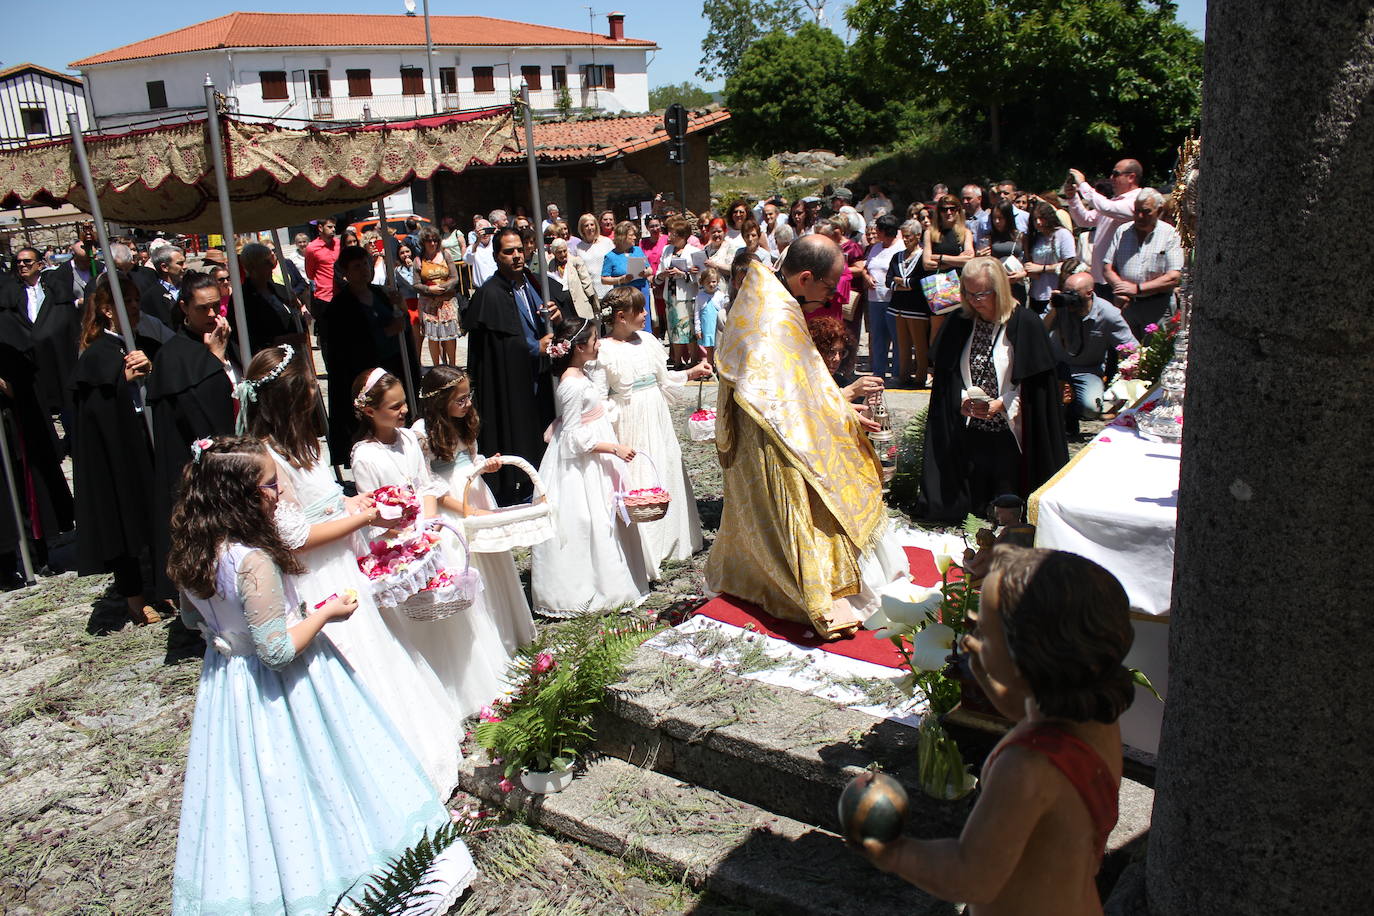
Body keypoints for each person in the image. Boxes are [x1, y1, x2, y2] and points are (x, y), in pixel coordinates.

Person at [166, 435, 476, 916]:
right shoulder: (253, 561)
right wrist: (326, 612)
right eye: (270, 487)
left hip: (229, 686)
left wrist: (230, 639)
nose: (280, 495)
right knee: (322, 773)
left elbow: (193, 621)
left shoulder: (192, 554)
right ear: (239, 497)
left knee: (249, 788)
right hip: (290, 686)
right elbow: (275, 651)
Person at [859, 546, 1133, 916]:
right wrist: (989, 670)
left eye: (983, 630)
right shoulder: (1095, 718)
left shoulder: (1024, 767)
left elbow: (970, 875)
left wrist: (891, 851)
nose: (972, 635)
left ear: (1028, 654)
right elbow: (1022, 705)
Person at [241, 347, 462, 793]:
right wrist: (364, 518)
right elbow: (293, 535)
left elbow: (322, 503)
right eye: (308, 387)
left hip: (345, 563)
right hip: (314, 576)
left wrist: (355, 504)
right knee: (354, 662)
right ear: (293, 398)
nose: (315, 392)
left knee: (381, 651)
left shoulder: (305, 445)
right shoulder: (267, 458)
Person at [705, 238, 907, 639]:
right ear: (805, 277)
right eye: (830, 287)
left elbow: (801, 380)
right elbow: (787, 398)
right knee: (799, 504)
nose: (834, 295)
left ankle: (758, 576)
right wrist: (841, 410)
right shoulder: (776, 313)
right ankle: (810, 590)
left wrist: (839, 404)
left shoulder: (764, 293)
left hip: (763, 423)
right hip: (774, 433)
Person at [349, 369, 512, 718]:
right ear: (369, 411)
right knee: (422, 617)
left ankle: (471, 681)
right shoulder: (364, 456)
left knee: (453, 609)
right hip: (399, 545)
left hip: (426, 533)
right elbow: (374, 512)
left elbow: (426, 485)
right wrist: (407, 535)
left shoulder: (410, 440)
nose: (403, 411)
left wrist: (428, 525)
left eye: (403, 404)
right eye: (393, 407)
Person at [921, 257, 1067, 523]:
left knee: (1008, 502)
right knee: (973, 505)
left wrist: (1004, 402)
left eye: (982, 294)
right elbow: (948, 376)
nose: (975, 300)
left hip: (1011, 434)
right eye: (968, 293)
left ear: (999, 289)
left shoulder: (1025, 322)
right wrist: (963, 399)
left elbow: (1035, 384)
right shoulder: (960, 321)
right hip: (970, 431)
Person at [530, 316, 650, 615]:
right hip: (584, 463)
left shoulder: (581, 374)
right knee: (589, 518)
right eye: (595, 340)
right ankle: (589, 587)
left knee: (605, 513)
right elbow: (572, 439)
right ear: (579, 347)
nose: (599, 344)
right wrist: (613, 448)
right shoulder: (570, 385)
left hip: (597, 453)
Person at [413, 365, 535, 654]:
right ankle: (485, 639)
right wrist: (466, 510)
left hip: (475, 491)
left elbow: (470, 458)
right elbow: (429, 485)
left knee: (493, 560)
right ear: (439, 400)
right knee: (470, 561)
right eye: (460, 399)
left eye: (469, 397)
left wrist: (485, 464)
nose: (467, 404)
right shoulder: (421, 432)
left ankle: (507, 628)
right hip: (452, 502)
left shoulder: (464, 420)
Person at [598, 287, 711, 578]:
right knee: (639, 473)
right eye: (640, 310)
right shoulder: (605, 350)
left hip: (656, 412)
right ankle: (645, 544)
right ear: (621, 317)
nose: (647, 314)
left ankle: (673, 538)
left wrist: (691, 372)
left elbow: (663, 379)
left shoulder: (648, 341)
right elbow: (598, 395)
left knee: (664, 464)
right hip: (629, 417)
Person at [71, 275, 160, 626]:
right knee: (123, 517)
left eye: (137, 300)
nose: (136, 308)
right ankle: (135, 599)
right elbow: (96, 408)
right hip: (118, 449)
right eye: (128, 302)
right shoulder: (98, 353)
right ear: (108, 310)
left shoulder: (136, 342)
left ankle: (164, 586)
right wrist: (121, 383)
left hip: (143, 438)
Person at [146, 273, 238, 601]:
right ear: (184, 307)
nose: (214, 315)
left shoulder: (223, 335)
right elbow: (204, 412)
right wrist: (213, 360)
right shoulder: (174, 355)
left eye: (218, 306)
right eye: (204, 309)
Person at [463, 226, 562, 505]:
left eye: (520, 249)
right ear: (496, 256)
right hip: (510, 379)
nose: (517, 256)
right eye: (509, 251)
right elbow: (499, 344)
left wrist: (556, 315)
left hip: (539, 375)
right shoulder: (490, 294)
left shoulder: (533, 282)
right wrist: (534, 347)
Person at [318, 245, 412, 466]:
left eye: (366, 264)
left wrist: (400, 307)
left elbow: (401, 323)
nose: (364, 270)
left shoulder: (381, 293)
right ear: (345, 272)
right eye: (357, 266)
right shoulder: (341, 307)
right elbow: (350, 343)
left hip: (391, 366)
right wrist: (387, 331)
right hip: (363, 372)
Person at [1047, 272, 1137, 437]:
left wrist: (1128, 378)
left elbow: (1130, 349)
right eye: (1066, 292)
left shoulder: (1108, 313)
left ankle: (1073, 409)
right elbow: (1040, 331)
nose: (1069, 298)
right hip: (1056, 367)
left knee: (1090, 409)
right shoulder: (1059, 306)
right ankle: (1063, 414)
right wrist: (1053, 310)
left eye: (1073, 294)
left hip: (1087, 369)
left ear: (1089, 293)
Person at [0, 246, 78, 425]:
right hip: (31, 358)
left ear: (40, 265)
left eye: (27, 261)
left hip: (57, 355)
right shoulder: (11, 293)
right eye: (18, 262)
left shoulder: (54, 289)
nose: (21, 265)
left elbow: (65, 322)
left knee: (66, 402)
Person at [1102, 189, 1183, 339]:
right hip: (1127, 305)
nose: (1140, 216)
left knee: (1155, 356)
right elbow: (1107, 268)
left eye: (1146, 212)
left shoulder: (1170, 234)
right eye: (1136, 211)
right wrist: (1120, 288)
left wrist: (1138, 289)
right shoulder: (1122, 231)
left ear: (1158, 210)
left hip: (1157, 305)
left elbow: (1174, 277)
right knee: (1127, 355)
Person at [1066, 159, 1145, 301]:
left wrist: (1083, 184)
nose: (1111, 178)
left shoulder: (1137, 201)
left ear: (1131, 177)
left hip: (1119, 279)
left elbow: (1106, 207)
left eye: (1116, 174)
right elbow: (1085, 219)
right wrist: (1072, 197)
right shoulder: (1114, 201)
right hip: (1099, 276)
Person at [922, 193, 978, 352]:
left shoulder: (965, 233)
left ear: (959, 211)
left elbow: (969, 258)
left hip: (960, 285)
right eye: (944, 209)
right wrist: (955, 259)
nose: (948, 213)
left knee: (960, 325)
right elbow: (927, 263)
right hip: (938, 285)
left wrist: (940, 258)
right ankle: (933, 368)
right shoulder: (930, 233)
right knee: (936, 327)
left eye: (953, 209)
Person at [887, 218, 930, 389]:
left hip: (917, 308)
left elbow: (921, 282)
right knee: (901, 344)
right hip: (898, 306)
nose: (906, 240)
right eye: (904, 236)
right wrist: (905, 284)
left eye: (909, 236)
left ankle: (920, 377)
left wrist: (903, 283)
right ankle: (903, 376)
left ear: (918, 236)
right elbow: (888, 280)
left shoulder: (923, 256)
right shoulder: (897, 256)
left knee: (920, 345)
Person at [656, 218, 703, 368]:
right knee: (673, 330)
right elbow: (658, 272)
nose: (669, 235)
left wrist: (683, 273)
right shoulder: (666, 250)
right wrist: (662, 275)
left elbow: (701, 276)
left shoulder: (694, 252)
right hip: (670, 295)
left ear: (682, 235)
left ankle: (693, 360)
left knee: (688, 330)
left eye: (673, 233)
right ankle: (677, 362)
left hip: (687, 296)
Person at [236, 243, 299, 354]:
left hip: (291, 354)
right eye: (267, 262)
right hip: (269, 359)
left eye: (272, 262)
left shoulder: (280, 290)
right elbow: (249, 337)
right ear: (253, 266)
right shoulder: (242, 298)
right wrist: (279, 340)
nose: (272, 266)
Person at [414, 226, 462, 367]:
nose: (433, 243)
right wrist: (429, 289)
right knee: (433, 337)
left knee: (450, 335)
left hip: (446, 301)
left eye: (435, 240)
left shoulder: (445, 255)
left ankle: (452, 366)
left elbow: (455, 277)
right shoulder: (418, 260)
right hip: (428, 304)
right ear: (423, 242)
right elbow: (416, 284)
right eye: (429, 241)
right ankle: (437, 367)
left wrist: (444, 287)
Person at [864, 214, 904, 381]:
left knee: (897, 337)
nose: (875, 233)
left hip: (893, 299)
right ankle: (878, 372)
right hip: (875, 299)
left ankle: (896, 373)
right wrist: (866, 277)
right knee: (878, 337)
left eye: (878, 230)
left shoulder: (900, 248)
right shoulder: (876, 247)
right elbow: (866, 267)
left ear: (885, 231)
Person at [808, 315, 883, 403]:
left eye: (841, 352)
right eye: (831, 352)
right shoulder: (800, 383)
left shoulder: (842, 382)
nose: (837, 358)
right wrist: (852, 391)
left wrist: (868, 406)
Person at [1025, 201, 1078, 315]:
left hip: (1055, 291)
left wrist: (1043, 268)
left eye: (1041, 218)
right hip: (1036, 293)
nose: (1038, 222)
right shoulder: (1036, 238)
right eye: (1035, 219)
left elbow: (1070, 264)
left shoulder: (1063, 235)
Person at [601, 220, 654, 334]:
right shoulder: (611, 256)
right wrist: (621, 279)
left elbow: (650, 269)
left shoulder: (638, 250)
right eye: (631, 235)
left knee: (644, 322)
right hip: (625, 296)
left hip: (641, 291)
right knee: (629, 324)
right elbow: (604, 279)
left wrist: (644, 273)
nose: (635, 237)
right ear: (622, 236)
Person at [982, 201, 1029, 306]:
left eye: (1001, 218)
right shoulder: (989, 237)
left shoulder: (1020, 236)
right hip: (996, 283)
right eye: (994, 218)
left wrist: (1022, 274)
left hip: (1016, 284)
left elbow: (1028, 261)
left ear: (1008, 218)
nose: (997, 221)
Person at [547, 238, 598, 319]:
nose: (563, 254)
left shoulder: (575, 261)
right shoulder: (551, 264)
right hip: (562, 303)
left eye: (564, 251)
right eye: (559, 252)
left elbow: (586, 280)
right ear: (554, 253)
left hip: (577, 301)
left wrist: (591, 298)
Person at [570, 213, 613, 298]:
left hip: (609, 289)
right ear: (582, 229)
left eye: (592, 224)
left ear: (596, 226)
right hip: (590, 292)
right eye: (586, 226)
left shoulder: (607, 242)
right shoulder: (577, 248)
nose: (590, 228)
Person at [141, 244, 185, 326]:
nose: (185, 267)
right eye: (180, 263)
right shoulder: (152, 297)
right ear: (164, 267)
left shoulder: (189, 287)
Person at [303, 218, 341, 311]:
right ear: (320, 228)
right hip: (325, 297)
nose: (333, 229)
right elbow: (310, 274)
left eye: (334, 227)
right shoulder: (311, 248)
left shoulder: (339, 243)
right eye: (330, 227)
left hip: (342, 292)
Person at [694, 266, 728, 363]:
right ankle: (710, 366)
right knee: (709, 348)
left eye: (714, 282)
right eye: (708, 282)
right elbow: (697, 313)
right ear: (702, 283)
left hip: (718, 327)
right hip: (707, 326)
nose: (711, 284)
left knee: (719, 347)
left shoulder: (721, 295)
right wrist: (698, 329)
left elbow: (724, 311)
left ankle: (719, 366)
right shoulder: (700, 296)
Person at [464, 220, 497, 287]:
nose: (484, 234)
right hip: (481, 288)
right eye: (481, 231)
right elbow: (468, 261)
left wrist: (497, 234)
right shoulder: (472, 247)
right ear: (476, 232)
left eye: (486, 230)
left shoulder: (496, 243)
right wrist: (477, 241)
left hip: (498, 285)